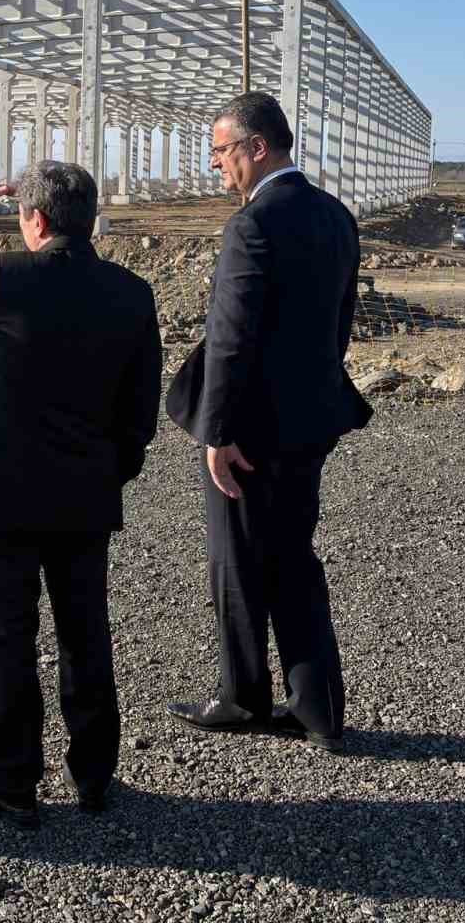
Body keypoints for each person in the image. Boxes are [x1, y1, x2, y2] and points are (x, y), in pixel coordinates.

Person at [0, 163, 162, 827]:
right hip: (86, 496)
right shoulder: (132, 292)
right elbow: (141, 409)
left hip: (5, 497)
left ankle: (13, 782)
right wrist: (112, 470)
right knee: (85, 634)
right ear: (90, 219)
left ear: (35, 220)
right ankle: (95, 778)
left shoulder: (5, 277)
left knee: (8, 638)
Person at [164, 91, 371, 753]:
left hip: (253, 431)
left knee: (237, 559)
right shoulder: (336, 216)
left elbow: (230, 336)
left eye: (222, 152)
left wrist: (215, 432)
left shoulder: (252, 225)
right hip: (312, 419)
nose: (218, 166)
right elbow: (339, 325)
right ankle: (318, 708)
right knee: (292, 558)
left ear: (256, 148)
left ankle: (241, 696)